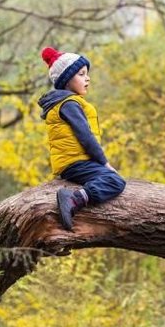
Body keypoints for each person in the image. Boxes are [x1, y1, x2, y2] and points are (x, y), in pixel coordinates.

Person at [38, 46, 126, 230]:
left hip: (74, 162)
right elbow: (85, 137)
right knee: (115, 180)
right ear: (67, 80)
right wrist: (104, 162)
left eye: (87, 74)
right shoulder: (69, 104)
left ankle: (79, 195)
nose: (87, 78)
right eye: (81, 74)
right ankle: (74, 198)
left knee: (111, 178)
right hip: (76, 163)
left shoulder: (67, 103)